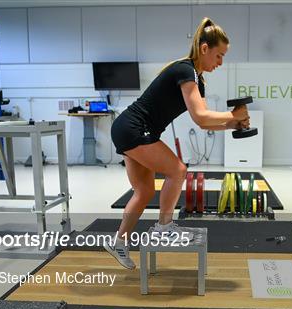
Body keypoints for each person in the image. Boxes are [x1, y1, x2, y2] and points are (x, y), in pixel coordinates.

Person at [105, 17, 250, 269]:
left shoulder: (197, 79)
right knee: (178, 170)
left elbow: (203, 123)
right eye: (219, 56)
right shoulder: (186, 70)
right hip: (134, 128)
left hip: (129, 128)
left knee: (145, 192)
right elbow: (201, 116)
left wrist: (233, 124)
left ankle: (119, 241)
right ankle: (163, 227)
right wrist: (233, 115)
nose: (221, 63)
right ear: (205, 49)